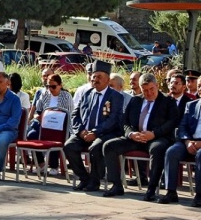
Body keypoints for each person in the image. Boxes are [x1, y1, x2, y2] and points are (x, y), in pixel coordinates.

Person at [101, 73, 177, 201]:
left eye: (152, 89)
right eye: (145, 90)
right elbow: (125, 122)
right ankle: (116, 185)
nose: (149, 93)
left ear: (157, 86)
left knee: (157, 149)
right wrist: (131, 133)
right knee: (109, 146)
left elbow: (172, 122)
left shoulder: (168, 101)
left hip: (157, 138)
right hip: (136, 137)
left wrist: (154, 133)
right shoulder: (135, 100)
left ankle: (151, 189)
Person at [64, 60, 124, 192]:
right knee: (69, 146)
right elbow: (75, 114)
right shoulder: (87, 93)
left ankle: (95, 181)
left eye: (99, 77)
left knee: (96, 147)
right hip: (84, 132)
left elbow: (113, 119)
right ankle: (84, 178)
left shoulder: (116, 96)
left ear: (108, 80)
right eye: (94, 76)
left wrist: (95, 132)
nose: (95, 79)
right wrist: (80, 131)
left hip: (105, 133)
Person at [27, 73, 74, 174]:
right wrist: (37, 117)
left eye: (53, 86)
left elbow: (70, 115)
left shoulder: (66, 96)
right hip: (44, 125)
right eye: (48, 86)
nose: (50, 89)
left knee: (54, 136)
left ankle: (54, 166)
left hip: (62, 128)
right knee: (31, 135)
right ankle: (41, 164)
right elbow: (37, 111)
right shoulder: (44, 94)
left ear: (60, 85)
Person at [159, 96, 201, 207]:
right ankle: (171, 191)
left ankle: (200, 195)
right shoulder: (191, 105)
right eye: (199, 86)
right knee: (171, 152)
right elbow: (182, 127)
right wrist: (187, 142)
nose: (200, 89)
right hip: (189, 141)